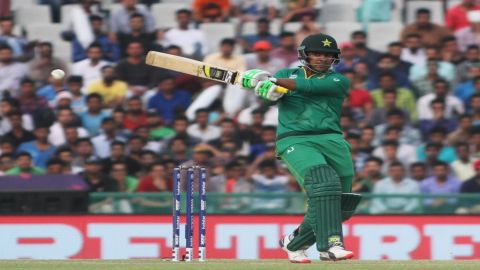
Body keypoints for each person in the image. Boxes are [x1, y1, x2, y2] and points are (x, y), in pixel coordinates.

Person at [239, 33, 359, 262]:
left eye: (328, 55)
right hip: (295, 139)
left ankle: (293, 243)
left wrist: (271, 81)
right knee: (324, 183)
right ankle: (331, 245)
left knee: (341, 204)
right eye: (317, 53)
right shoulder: (286, 74)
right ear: (306, 54)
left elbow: (307, 87)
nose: (323, 58)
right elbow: (270, 97)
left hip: (332, 139)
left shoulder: (338, 81)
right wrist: (264, 89)